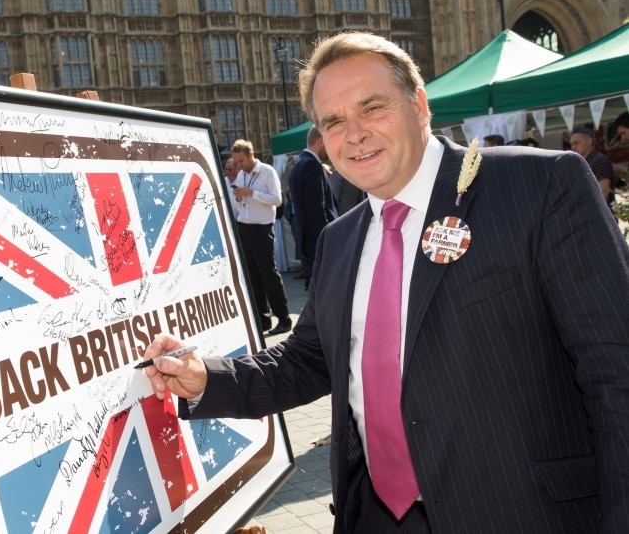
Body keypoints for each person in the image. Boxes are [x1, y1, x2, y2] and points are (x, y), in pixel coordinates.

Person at [143, 31, 629, 533]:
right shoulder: (339, 239)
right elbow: (308, 358)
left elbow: (617, 374)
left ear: (420, 104)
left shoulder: (537, 186)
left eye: (372, 107)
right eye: (333, 121)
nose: (353, 134)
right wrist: (208, 378)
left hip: (521, 514)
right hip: (374, 517)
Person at [230, 139, 293, 336]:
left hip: (262, 229)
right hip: (244, 228)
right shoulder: (241, 176)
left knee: (269, 275)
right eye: (236, 162)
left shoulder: (267, 172)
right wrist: (240, 198)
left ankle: (284, 318)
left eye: (241, 161)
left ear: (251, 155)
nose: (238, 166)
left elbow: (277, 199)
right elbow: (240, 206)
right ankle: (262, 319)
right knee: (252, 277)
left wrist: (252, 193)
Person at [288, 125, 337, 289]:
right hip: (318, 241)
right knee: (327, 290)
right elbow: (316, 209)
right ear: (321, 141)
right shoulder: (311, 166)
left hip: (307, 240)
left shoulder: (299, 165)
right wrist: (328, 240)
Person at [570, 125, 616, 204]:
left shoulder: (599, 160)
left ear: (589, 142)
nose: (573, 147)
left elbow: (603, 193)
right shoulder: (583, 163)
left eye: (576, 143)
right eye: (571, 144)